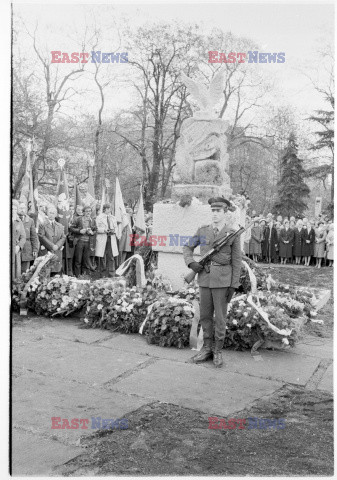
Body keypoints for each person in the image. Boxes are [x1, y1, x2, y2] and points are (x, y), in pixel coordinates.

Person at [183, 197, 242, 368]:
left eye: (218, 211)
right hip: (205, 279)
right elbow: (187, 247)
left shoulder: (232, 233)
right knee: (206, 316)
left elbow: (236, 261)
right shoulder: (203, 231)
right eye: (213, 211)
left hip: (223, 280)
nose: (215, 214)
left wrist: (233, 284)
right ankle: (207, 348)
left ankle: (218, 350)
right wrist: (191, 263)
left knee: (221, 318)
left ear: (225, 213)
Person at [38, 205, 66, 275]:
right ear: (47, 213)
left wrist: (57, 245)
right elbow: (41, 236)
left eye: (53, 213)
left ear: (56, 214)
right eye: (50, 212)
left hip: (57, 251)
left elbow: (63, 237)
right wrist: (52, 246)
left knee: (56, 271)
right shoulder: (42, 224)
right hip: (46, 251)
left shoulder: (60, 225)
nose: (51, 214)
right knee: (46, 270)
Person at [70, 205, 97, 277]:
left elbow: (95, 230)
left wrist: (92, 232)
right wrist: (79, 231)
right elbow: (71, 228)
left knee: (86, 260)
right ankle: (77, 276)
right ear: (83, 212)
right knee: (78, 260)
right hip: (79, 242)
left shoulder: (93, 220)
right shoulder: (78, 219)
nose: (88, 213)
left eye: (90, 211)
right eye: (87, 211)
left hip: (89, 243)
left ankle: (85, 277)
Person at [95, 204, 119, 277]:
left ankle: (111, 272)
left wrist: (114, 230)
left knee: (111, 256)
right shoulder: (99, 217)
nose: (109, 210)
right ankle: (103, 273)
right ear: (104, 209)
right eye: (108, 208)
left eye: (110, 208)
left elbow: (116, 227)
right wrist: (104, 230)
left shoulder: (113, 218)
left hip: (111, 238)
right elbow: (96, 228)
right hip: (102, 238)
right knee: (102, 256)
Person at [18, 202, 39, 273]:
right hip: (16, 247)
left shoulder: (30, 221)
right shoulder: (14, 219)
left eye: (24, 208)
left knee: (25, 271)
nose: (22, 210)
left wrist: (35, 249)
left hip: (27, 249)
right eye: (20, 208)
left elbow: (34, 236)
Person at [12, 200, 26, 279]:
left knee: (16, 273)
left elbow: (23, 236)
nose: (13, 211)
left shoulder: (19, 221)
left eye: (14, 209)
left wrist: (19, 246)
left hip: (16, 250)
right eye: (11, 208)